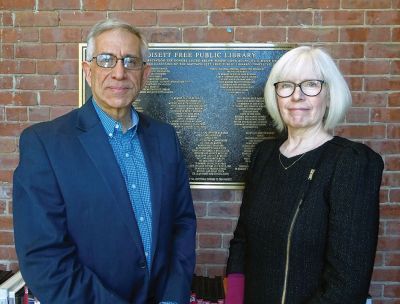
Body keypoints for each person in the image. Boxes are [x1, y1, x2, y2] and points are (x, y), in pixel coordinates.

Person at [13, 19, 196, 304]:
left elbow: (182, 223)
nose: (119, 73)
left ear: (144, 74)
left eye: (130, 61)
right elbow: (44, 258)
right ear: (88, 71)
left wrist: (173, 296)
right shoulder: (45, 144)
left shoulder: (164, 138)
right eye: (106, 60)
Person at [225, 46, 384, 304]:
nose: (297, 96)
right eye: (286, 85)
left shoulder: (350, 162)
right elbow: (242, 240)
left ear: (330, 95)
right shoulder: (263, 155)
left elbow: (348, 283)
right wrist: (234, 300)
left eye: (311, 85)